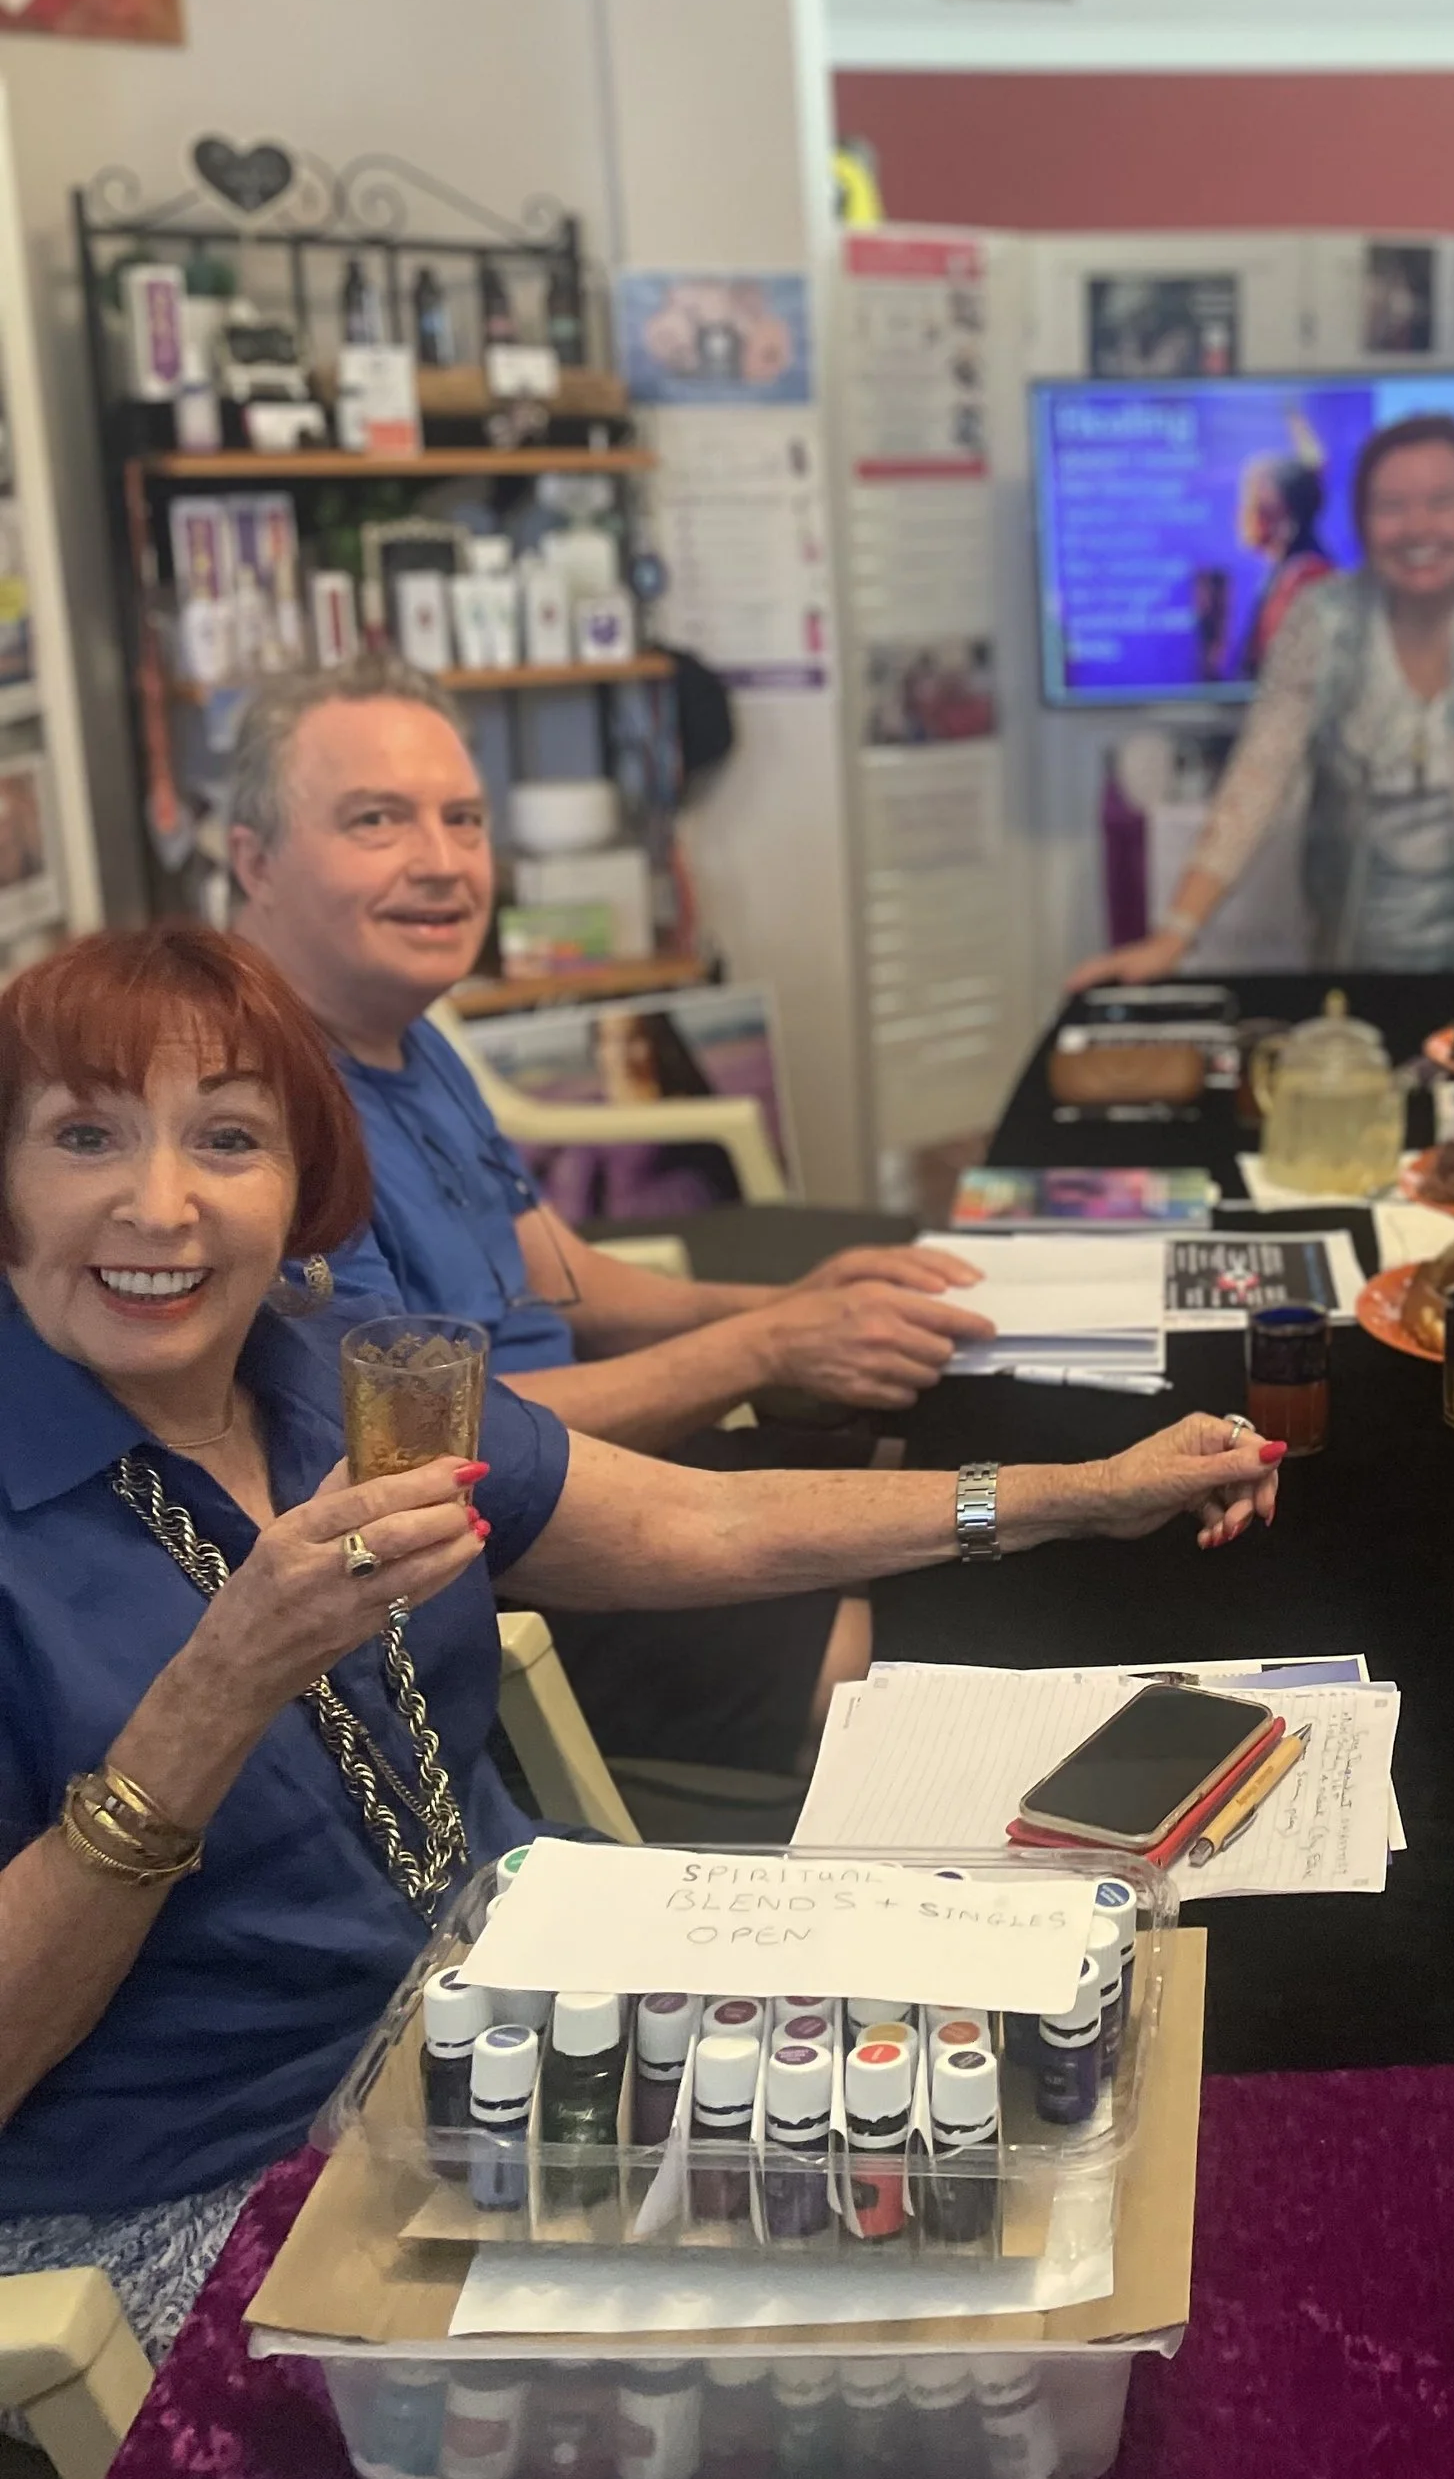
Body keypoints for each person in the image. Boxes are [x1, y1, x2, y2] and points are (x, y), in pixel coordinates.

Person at [0, 926, 1279, 2356]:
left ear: (301, 1185)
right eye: (85, 1135)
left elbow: (707, 1525)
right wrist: (214, 1694)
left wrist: (1075, 1498)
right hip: (220, 2182)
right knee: (854, 2354)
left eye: (227, 1138)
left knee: (1063, 2142)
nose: (160, 1205)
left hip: (537, 2030)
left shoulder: (322, 1377)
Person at [222, 658, 998, 1772]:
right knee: (946, 1646)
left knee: (963, 1447)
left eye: (463, 819)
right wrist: (763, 1345)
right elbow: (442, 1455)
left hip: (616, 1469)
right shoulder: (266, 1114)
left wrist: (787, 1303)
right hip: (523, 1567)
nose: (440, 863)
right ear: (254, 859)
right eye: (376, 821)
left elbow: (547, 1262)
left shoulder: (409, 1031)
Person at [1073, 410, 1454, 982]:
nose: (1418, 528)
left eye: (1442, 502)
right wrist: (1174, 935)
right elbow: (1257, 780)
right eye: (1392, 507)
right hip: (1361, 972)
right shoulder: (1320, 621)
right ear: (1360, 522)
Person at [1234, 424, 1336, 680]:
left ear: (1284, 515)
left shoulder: (1307, 579)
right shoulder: (1283, 576)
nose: (1243, 513)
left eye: (1256, 504)